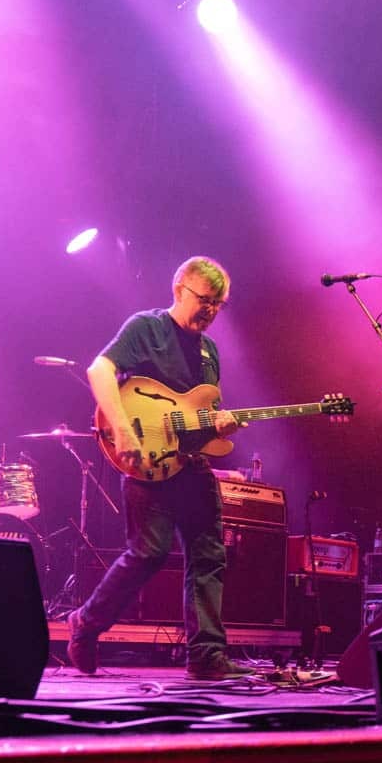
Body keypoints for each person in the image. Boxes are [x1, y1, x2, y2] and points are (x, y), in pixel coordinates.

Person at [66, 256, 250, 680]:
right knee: (147, 554)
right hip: (148, 461)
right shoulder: (145, 328)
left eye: (218, 304)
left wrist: (221, 426)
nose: (210, 311)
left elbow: (201, 418)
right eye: (204, 300)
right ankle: (85, 624)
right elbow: (100, 369)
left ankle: (206, 657)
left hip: (191, 465)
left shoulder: (209, 352)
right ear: (179, 289)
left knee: (209, 556)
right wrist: (123, 432)